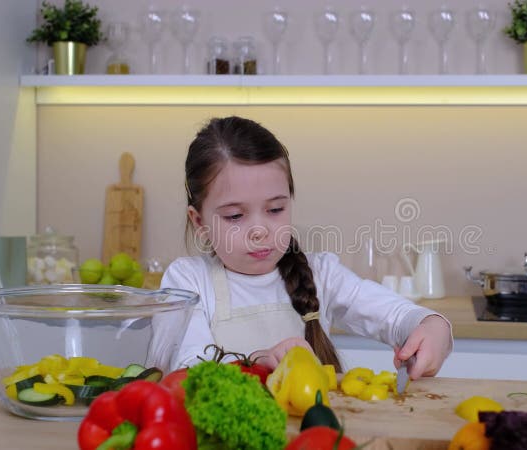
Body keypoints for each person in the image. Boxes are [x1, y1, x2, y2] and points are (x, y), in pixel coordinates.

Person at [160, 116, 452, 380]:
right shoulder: (187, 281)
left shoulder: (321, 273)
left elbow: (397, 316)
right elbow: (187, 367)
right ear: (199, 221)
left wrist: (431, 326)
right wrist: (255, 361)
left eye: (275, 209)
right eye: (235, 216)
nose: (260, 231)